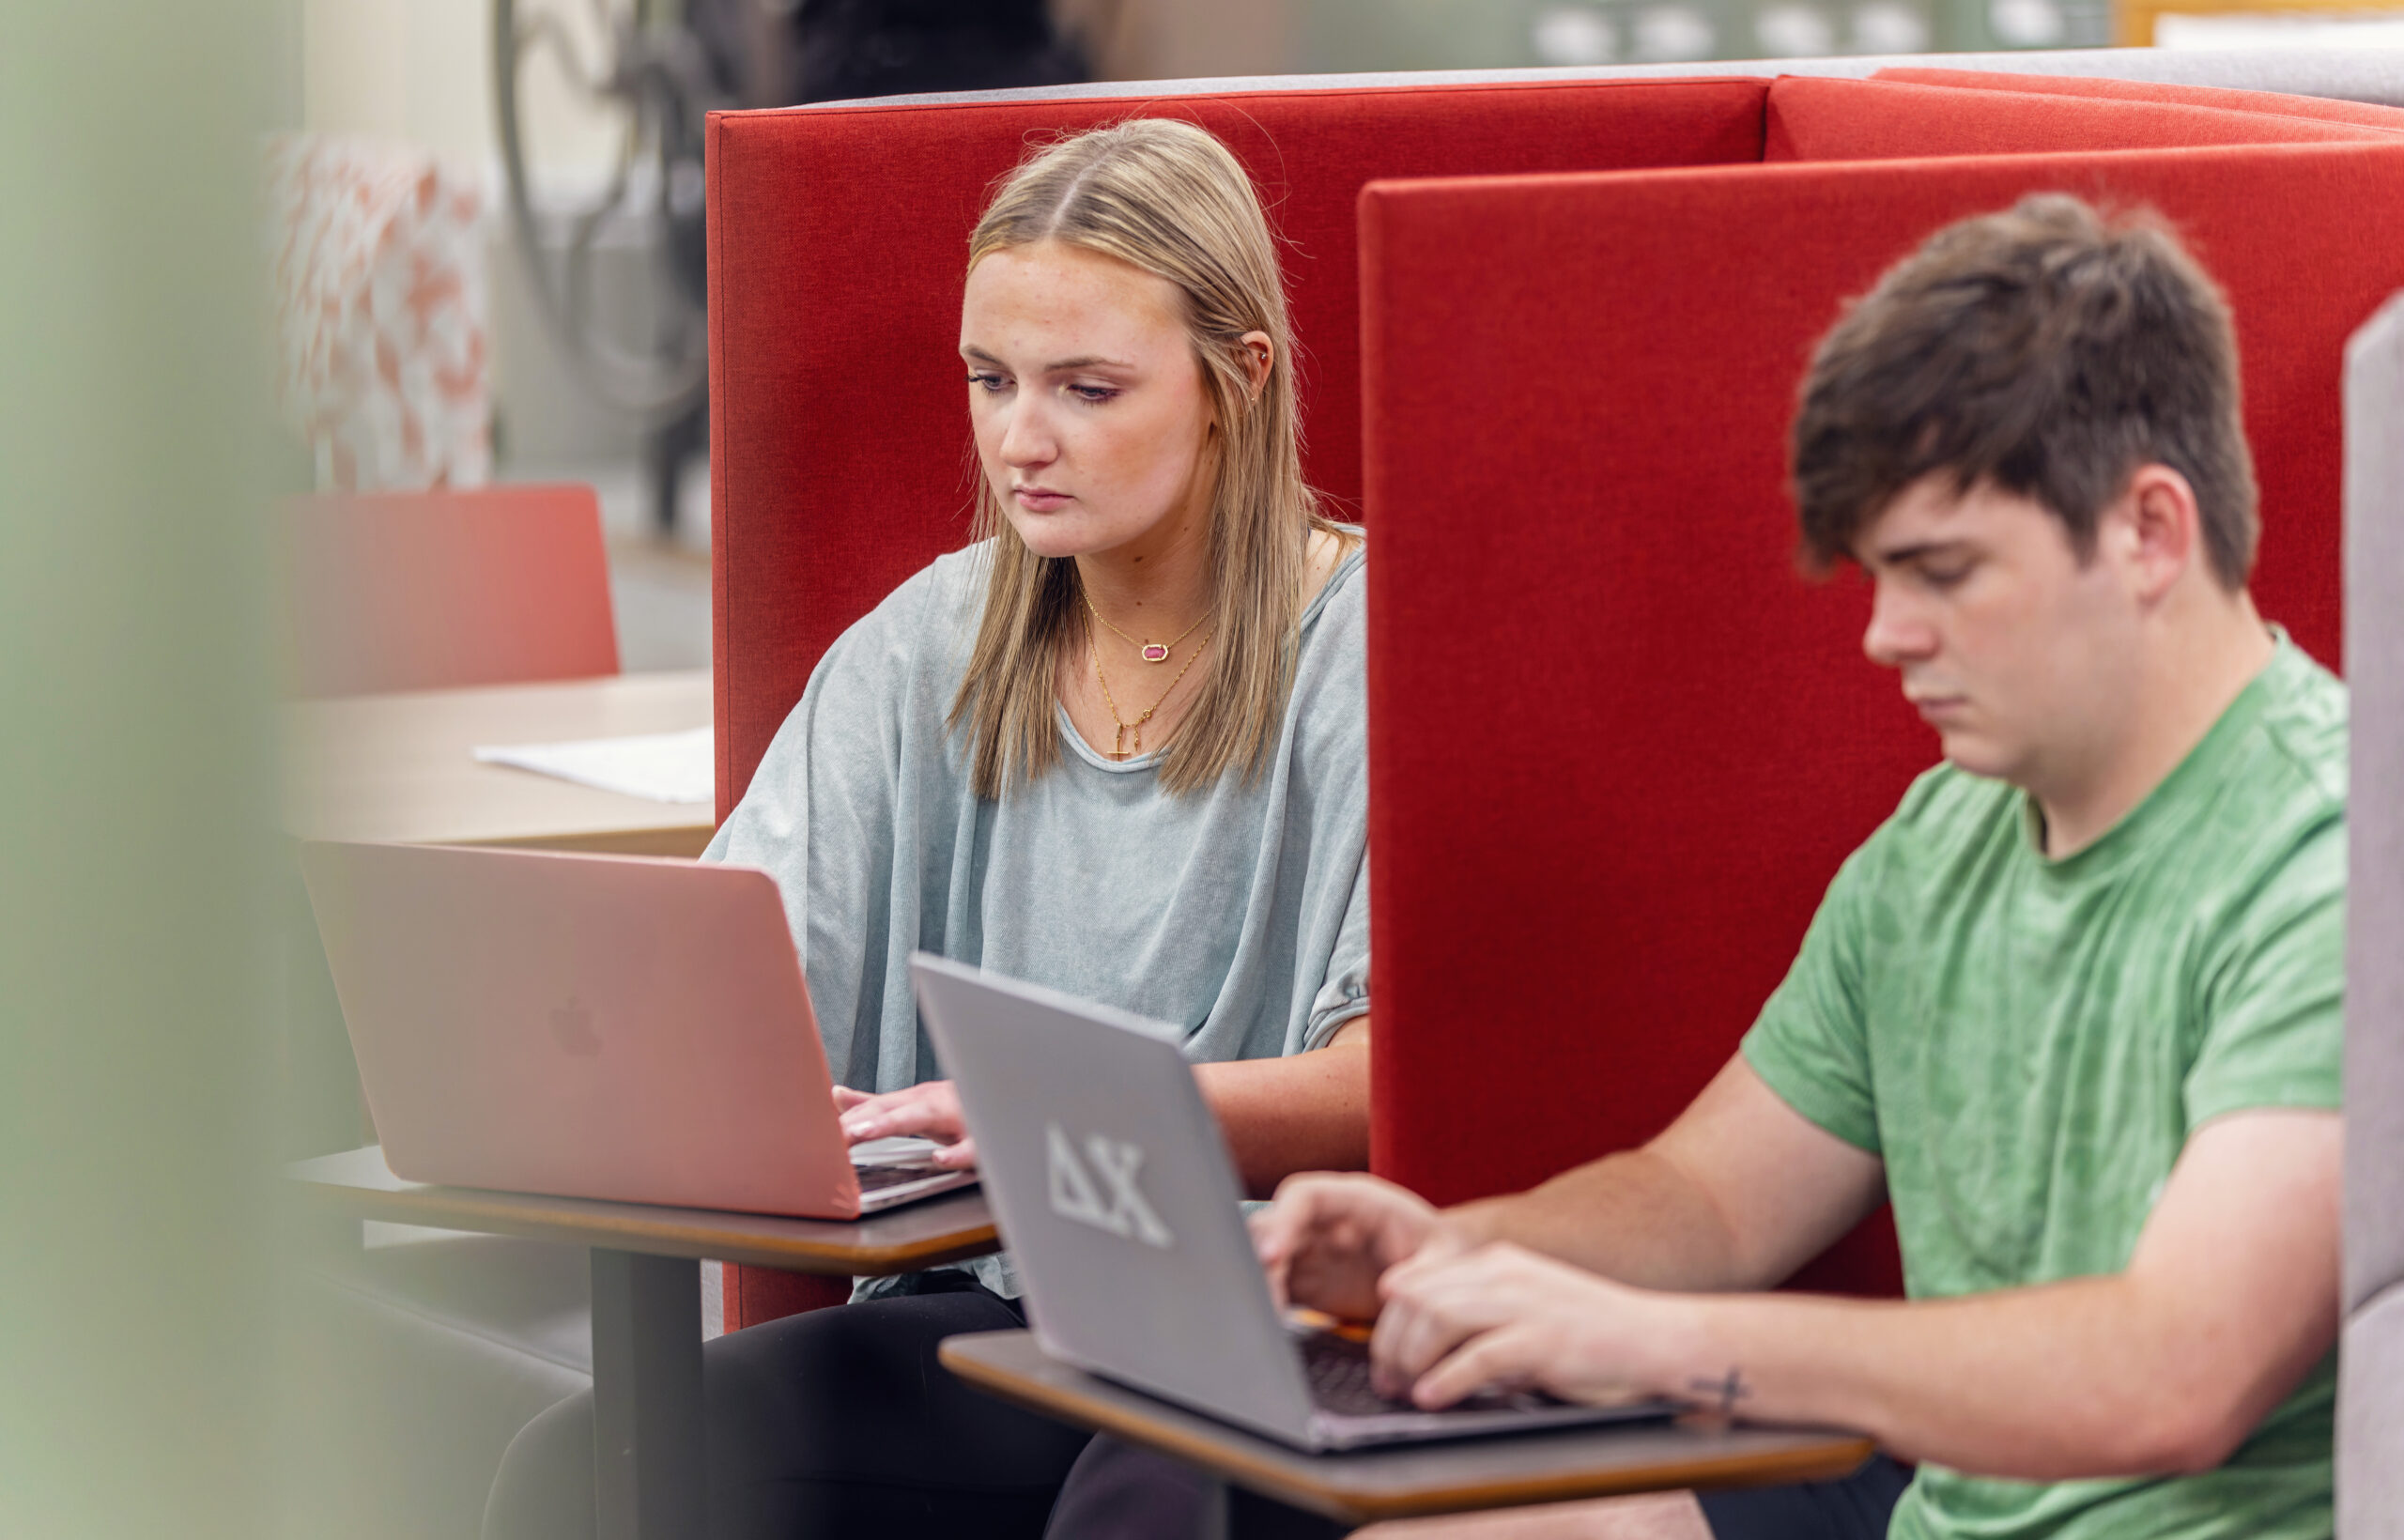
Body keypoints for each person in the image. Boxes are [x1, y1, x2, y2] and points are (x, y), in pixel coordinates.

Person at [1056, 195, 2348, 1540]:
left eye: (1945, 574)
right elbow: (1711, 1201)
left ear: (2148, 532)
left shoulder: (2330, 862)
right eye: (1878, 579)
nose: (1888, 637)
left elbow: (2174, 1375)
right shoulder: (1945, 842)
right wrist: (1460, 1253)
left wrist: (1655, 1344)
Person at [484, 117, 1373, 1540]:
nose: (1022, 438)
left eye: (1088, 388)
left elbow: (1394, 1084)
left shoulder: (1365, 651)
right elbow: (737, 975)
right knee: (580, 1469)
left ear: (1236, 381)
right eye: (991, 378)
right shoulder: (933, 640)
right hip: (996, 1312)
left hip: (1267, 1312)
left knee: (1146, 1499)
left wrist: (1053, 1112)